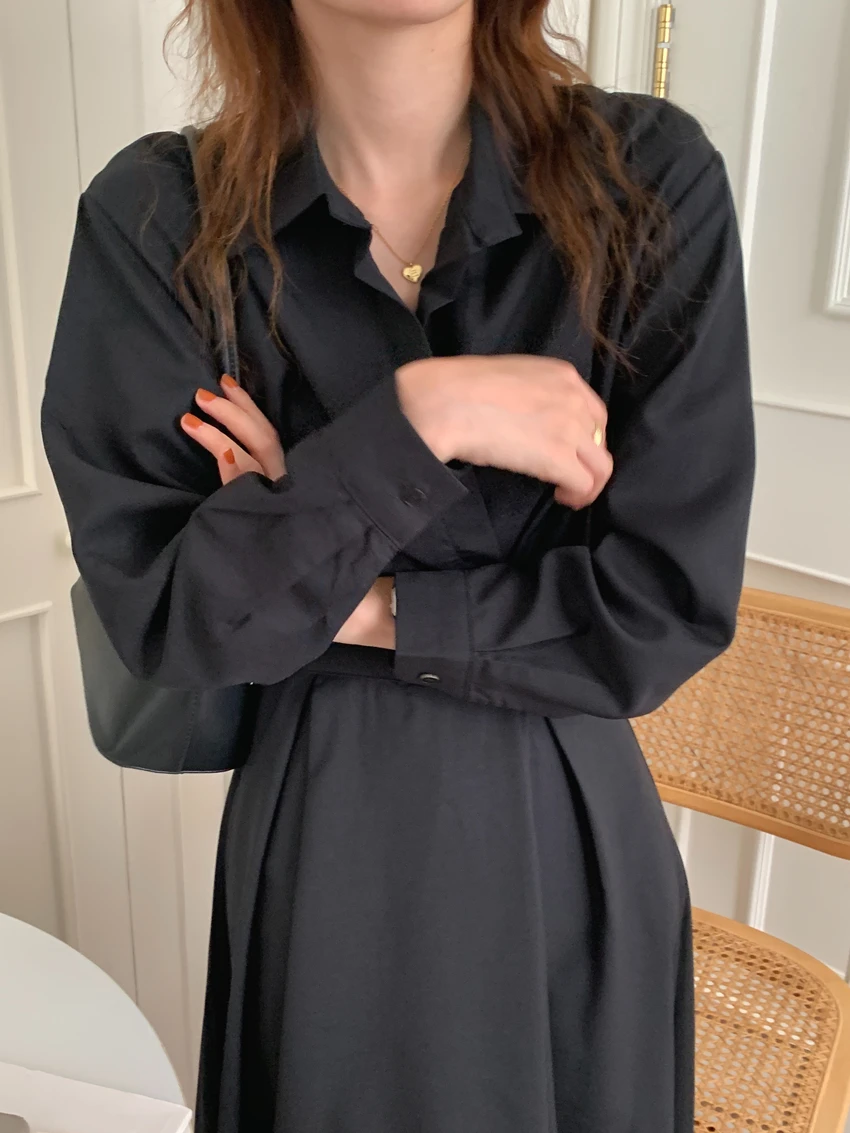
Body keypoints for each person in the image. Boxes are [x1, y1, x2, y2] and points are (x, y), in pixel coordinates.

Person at [40, 0, 755, 1128]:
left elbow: (657, 609)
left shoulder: (647, 182)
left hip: (562, 840)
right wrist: (422, 416)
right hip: (326, 843)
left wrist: (322, 545)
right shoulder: (158, 218)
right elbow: (179, 614)